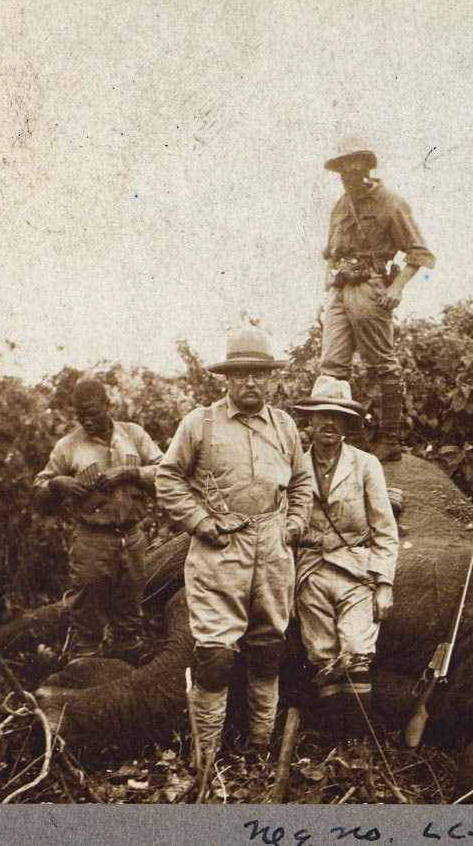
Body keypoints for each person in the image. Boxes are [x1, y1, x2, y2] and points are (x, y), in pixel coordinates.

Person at [156, 325, 313, 763]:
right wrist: (200, 521)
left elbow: (302, 482)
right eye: (241, 373)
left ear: (271, 378)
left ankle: (260, 746)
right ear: (226, 378)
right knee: (216, 658)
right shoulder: (200, 423)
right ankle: (206, 756)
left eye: (259, 374)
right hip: (220, 549)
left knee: (267, 650)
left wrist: (294, 523)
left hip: (273, 548)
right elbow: (168, 478)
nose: (250, 382)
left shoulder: (284, 427)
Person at [292, 375, 399, 745]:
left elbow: (385, 529)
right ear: (310, 420)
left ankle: (360, 748)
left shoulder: (366, 465)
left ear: (347, 423)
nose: (329, 424)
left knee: (356, 654)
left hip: (356, 571)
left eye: (338, 417)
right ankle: (335, 746)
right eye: (323, 415)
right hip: (309, 573)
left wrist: (384, 584)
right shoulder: (294, 467)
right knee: (323, 657)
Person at [320, 136, 437, 462]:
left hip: (371, 287)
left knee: (382, 364)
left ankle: (389, 439)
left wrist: (396, 288)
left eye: (353, 170)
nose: (348, 178)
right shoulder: (341, 205)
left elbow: (420, 253)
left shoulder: (390, 203)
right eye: (342, 172)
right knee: (331, 367)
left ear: (366, 169)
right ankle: (355, 441)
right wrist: (326, 294)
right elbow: (330, 254)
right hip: (340, 289)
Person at [33, 378, 163, 664]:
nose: (88, 421)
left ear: (108, 405)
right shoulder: (68, 446)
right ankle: (85, 674)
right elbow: (38, 491)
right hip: (92, 539)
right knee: (87, 616)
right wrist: (58, 484)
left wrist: (130, 474)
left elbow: (166, 473)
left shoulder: (133, 435)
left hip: (132, 536)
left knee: (129, 616)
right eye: (81, 415)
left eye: (93, 412)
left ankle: (125, 672)